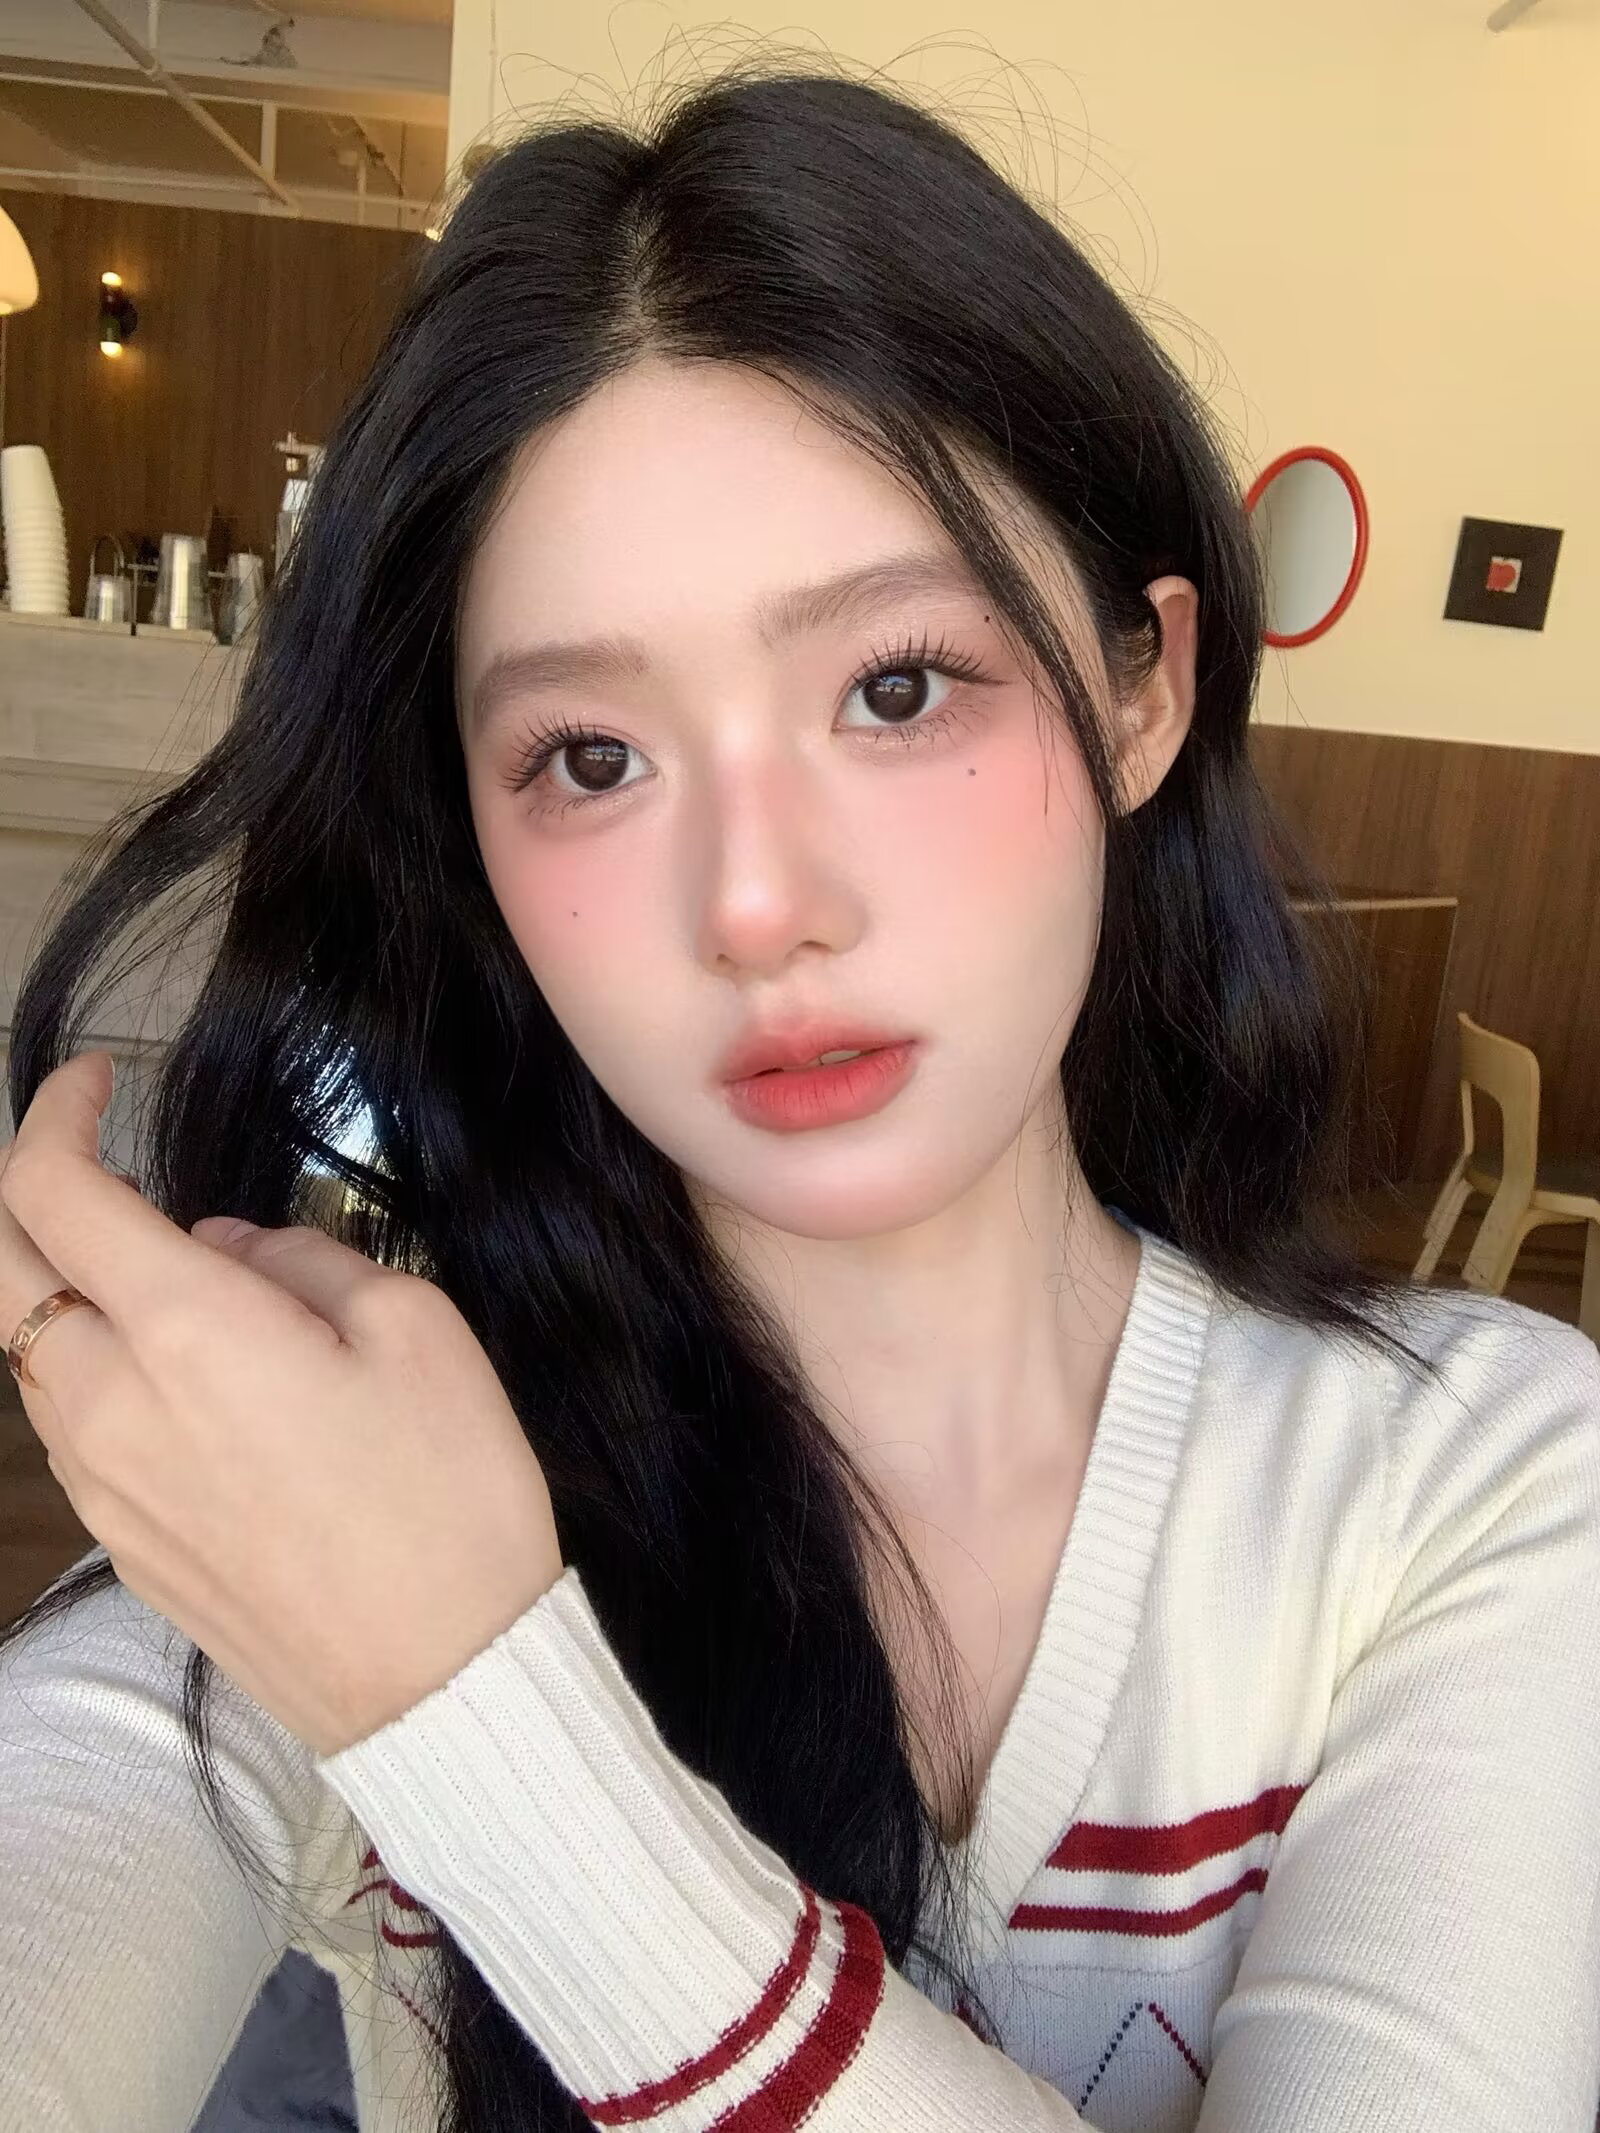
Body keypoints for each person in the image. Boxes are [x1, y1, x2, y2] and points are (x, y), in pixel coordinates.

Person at [2, 51, 1598, 2133]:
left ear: (1142, 689)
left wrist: (476, 1711)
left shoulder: (1464, 1481)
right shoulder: (339, 1508)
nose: (756, 905)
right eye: (590, 757)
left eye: (895, 686)